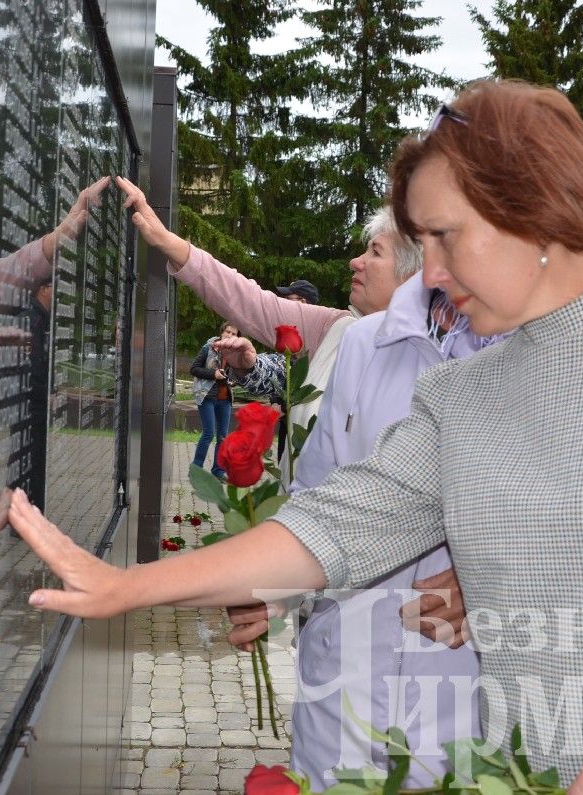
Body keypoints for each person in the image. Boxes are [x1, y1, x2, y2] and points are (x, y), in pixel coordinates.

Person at [10, 82, 583, 793]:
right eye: (419, 243)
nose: (430, 271)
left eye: (445, 236)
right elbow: (337, 524)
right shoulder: (466, 390)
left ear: (532, 203)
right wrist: (130, 585)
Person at [226, 259, 508, 787]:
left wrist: (490, 581)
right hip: (343, 674)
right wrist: (278, 587)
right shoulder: (363, 343)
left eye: (374, 249)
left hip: (455, 682)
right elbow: (318, 493)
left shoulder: (538, 348)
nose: (357, 260)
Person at [115, 176, 414, 443]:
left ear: (411, 275)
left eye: (375, 252)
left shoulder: (427, 365)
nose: (355, 262)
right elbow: (247, 299)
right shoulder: (334, 327)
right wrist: (167, 241)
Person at [189, 322, 238, 478]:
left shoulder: (235, 353)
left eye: (234, 334)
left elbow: (234, 374)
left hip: (225, 398)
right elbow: (194, 369)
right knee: (209, 433)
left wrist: (231, 380)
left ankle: (218, 470)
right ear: (221, 332)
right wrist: (213, 374)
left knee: (223, 437)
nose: (230, 335)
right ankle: (195, 470)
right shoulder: (209, 347)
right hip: (207, 396)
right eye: (228, 332)